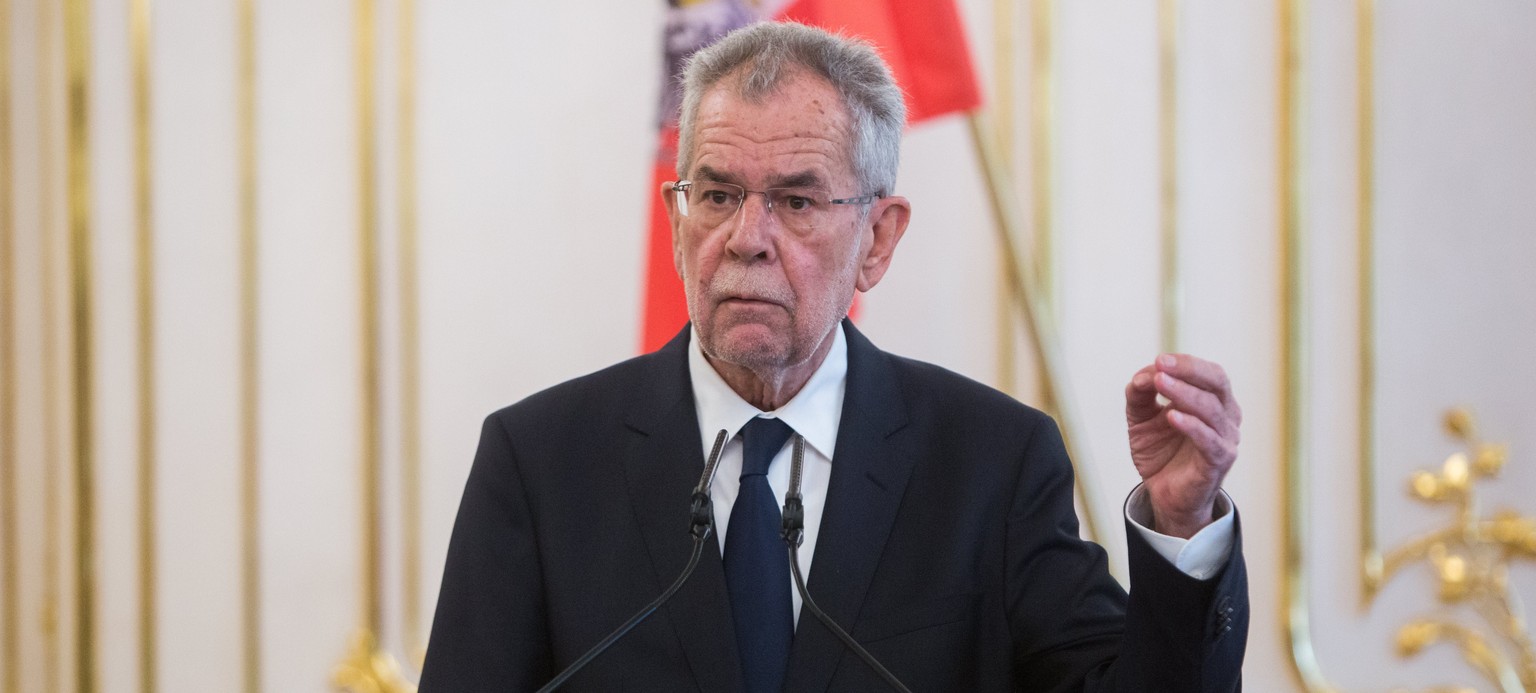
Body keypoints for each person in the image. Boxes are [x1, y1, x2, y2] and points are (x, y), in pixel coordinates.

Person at [419, 21, 1247, 692]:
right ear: (676, 220)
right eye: (715, 194)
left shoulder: (991, 463)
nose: (747, 239)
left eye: (797, 199)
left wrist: (1182, 529)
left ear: (877, 240)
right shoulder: (540, 462)